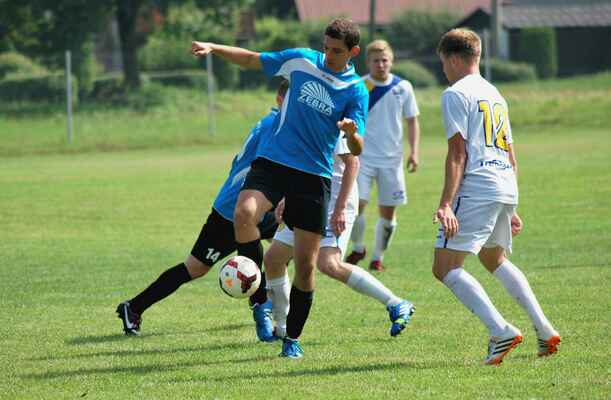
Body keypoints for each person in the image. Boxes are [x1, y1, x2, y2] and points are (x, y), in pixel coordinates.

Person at [191, 18, 368, 359]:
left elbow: (357, 148)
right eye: (327, 47)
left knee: (305, 267)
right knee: (244, 214)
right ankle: (259, 301)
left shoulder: (355, 90)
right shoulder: (301, 60)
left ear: (352, 52)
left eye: (337, 52)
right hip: (273, 162)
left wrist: (349, 132)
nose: (329, 56)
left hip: (313, 176)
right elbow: (252, 58)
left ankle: (292, 339)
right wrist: (215, 48)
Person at [116, 81, 289, 342]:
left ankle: (271, 310)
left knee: (287, 248)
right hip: (234, 211)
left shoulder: (278, 125)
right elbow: (264, 167)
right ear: (279, 99)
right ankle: (134, 306)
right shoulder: (273, 126)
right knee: (197, 267)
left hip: (264, 206)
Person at [433, 28, 560, 365]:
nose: (443, 70)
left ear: (456, 59)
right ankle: (545, 330)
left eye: (444, 63)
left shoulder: (455, 94)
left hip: (477, 185)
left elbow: (457, 154)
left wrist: (446, 203)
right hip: (504, 183)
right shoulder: (495, 94)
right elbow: (511, 155)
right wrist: (512, 204)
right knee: (493, 258)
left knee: (445, 267)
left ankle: (500, 330)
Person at [264, 137, 415, 345]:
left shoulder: (327, 118)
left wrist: (341, 208)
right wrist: (286, 198)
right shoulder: (298, 121)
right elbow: (299, 166)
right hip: (305, 199)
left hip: (334, 202)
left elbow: (353, 162)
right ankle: (281, 329)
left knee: (328, 263)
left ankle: (395, 303)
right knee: (273, 258)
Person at [345, 40, 421, 272]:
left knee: (388, 212)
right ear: (368, 62)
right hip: (363, 158)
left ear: (391, 61)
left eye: (384, 60)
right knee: (357, 205)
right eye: (376, 60)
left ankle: (377, 258)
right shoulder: (360, 86)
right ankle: (358, 247)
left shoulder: (403, 87)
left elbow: (412, 121)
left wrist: (414, 152)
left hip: (392, 160)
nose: (381, 65)